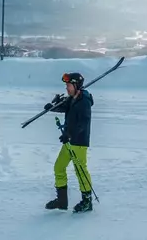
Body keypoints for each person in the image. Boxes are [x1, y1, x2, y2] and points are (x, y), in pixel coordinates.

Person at [44, 71, 94, 213]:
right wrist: (52, 108)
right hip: (69, 141)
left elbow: (83, 123)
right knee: (59, 167)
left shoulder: (84, 101)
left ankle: (87, 201)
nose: (66, 88)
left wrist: (70, 135)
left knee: (80, 171)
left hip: (78, 142)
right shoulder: (73, 98)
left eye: (68, 85)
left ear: (76, 85)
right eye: (66, 85)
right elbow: (65, 107)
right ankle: (62, 200)